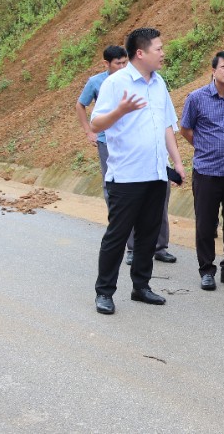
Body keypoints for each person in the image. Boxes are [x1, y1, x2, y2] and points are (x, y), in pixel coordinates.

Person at [91, 28, 185, 315]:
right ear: (141, 53)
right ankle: (104, 292)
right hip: (127, 176)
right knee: (117, 236)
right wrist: (119, 111)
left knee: (148, 233)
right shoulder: (115, 83)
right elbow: (96, 124)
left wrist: (177, 161)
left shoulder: (159, 84)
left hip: (156, 174)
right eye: (158, 48)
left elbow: (167, 124)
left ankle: (141, 286)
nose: (163, 52)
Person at [180, 51, 224, 291]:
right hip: (207, 171)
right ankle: (206, 270)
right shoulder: (196, 98)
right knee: (205, 223)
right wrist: (204, 147)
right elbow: (186, 129)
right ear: (214, 70)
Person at [75, 45, 128, 204]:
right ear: (106, 64)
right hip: (106, 139)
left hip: (128, 137)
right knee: (110, 179)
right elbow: (80, 105)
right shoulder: (96, 82)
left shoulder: (131, 78)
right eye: (118, 63)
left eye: (125, 63)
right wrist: (88, 131)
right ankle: (116, 219)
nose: (122, 67)